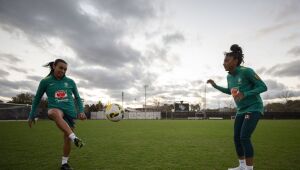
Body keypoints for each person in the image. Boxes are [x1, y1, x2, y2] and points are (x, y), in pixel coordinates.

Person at [207, 44, 267, 170]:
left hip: (254, 107)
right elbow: (230, 91)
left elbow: (263, 87)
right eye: (224, 61)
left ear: (235, 61)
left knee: (244, 137)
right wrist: (215, 85)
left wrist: (245, 93)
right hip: (241, 110)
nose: (224, 63)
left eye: (226, 61)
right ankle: (241, 166)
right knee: (236, 138)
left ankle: (249, 169)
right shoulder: (229, 76)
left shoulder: (247, 71)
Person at [28, 59, 86, 170]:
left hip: (70, 112)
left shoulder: (70, 82)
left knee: (66, 138)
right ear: (54, 66)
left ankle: (64, 164)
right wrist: (31, 115)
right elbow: (37, 99)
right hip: (55, 109)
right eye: (61, 68)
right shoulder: (45, 81)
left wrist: (81, 111)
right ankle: (75, 138)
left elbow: (77, 97)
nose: (63, 71)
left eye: (65, 69)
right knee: (53, 112)